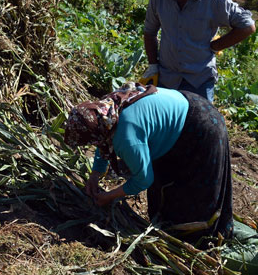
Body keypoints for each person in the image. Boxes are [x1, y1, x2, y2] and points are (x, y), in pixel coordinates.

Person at [64, 83, 233, 245]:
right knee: (164, 184)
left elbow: (144, 179)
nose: (91, 145)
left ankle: (202, 241)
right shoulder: (105, 112)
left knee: (191, 194)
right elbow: (102, 141)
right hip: (188, 107)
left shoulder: (127, 137)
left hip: (201, 127)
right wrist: (95, 175)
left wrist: (110, 196)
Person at [142, 0, 256, 102]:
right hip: (167, 79)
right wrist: (153, 66)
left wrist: (216, 46)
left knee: (199, 124)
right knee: (167, 125)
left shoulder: (214, 0)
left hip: (199, 81)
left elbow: (247, 26)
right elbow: (150, 32)